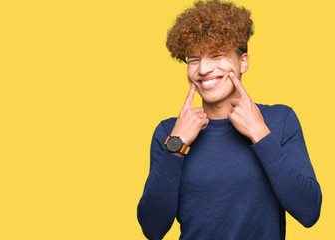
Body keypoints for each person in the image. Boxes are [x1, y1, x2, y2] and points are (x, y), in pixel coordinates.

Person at [137, 0, 322, 239]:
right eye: (194, 59)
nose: (203, 69)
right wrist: (176, 146)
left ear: (243, 62)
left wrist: (260, 134)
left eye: (216, 55)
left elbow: (309, 212)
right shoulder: (169, 133)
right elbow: (152, 229)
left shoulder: (280, 120)